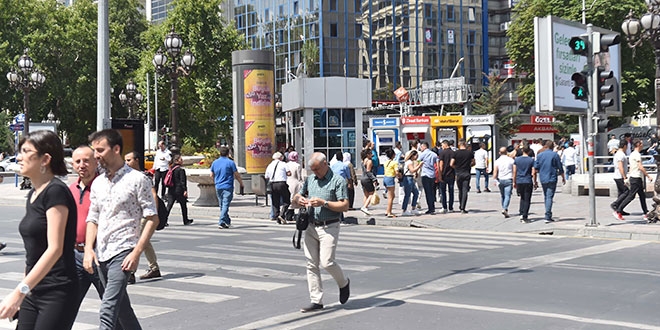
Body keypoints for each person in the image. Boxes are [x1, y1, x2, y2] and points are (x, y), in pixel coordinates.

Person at [0, 130, 80, 328]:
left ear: (45, 159)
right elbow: (33, 253)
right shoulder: (34, 194)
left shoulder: (56, 192)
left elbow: (55, 249)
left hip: (58, 290)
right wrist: (25, 288)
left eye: (26, 151)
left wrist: (19, 292)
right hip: (34, 289)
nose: (18, 157)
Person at [83, 129, 158, 330]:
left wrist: (136, 252)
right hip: (102, 253)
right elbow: (93, 218)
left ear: (116, 149)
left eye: (100, 150)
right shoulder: (98, 183)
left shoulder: (137, 179)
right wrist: (89, 249)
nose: (96, 155)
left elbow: (152, 217)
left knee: (108, 309)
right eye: (94, 150)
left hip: (124, 251)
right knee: (122, 310)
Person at [70, 146, 131, 325]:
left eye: (87, 161)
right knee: (66, 306)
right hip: (75, 257)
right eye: (78, 162)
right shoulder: (69, 190)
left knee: (117, 310)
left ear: (96, 162)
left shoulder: (105, 187)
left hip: (102, 256)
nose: (82, 165)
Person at [293, 152, 350, 313]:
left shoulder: (337, 180)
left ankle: (343, 283)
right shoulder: (311, 180)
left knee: (327, 262)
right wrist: (299, 199)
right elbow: (297, 195)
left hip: (329, 226)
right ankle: (316, 300)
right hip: (311, 225)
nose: (315, 173)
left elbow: (345, 205)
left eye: (317, 169)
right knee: (311, 263)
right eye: (312, 170)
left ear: (325, 164)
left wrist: (324, 203)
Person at [124, 151, 163, 282]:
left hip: (143, 214)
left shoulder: (144, 175)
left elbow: (153, 194)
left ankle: (130, 272)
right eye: (125, 160)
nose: (126, 163)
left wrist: (153, 213)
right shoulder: (126, 175)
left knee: (135, 240)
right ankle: (154, 268)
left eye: (129, 160)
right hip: (132, 214)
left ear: (136, 160)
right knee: (144, 240)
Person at [613, 139, 653, 221]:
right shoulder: (637, 155)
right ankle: (618, 210)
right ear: (638, 144)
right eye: (641, 143)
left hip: (634, 177)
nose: (642, 145)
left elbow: (631, 167)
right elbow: (640, 167)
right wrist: (648, 176)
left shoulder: (632, 154)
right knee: (631, 196)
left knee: (642, 195)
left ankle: (646, 212)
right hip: (636, 178)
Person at [210, 147, 244, 228]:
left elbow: (211, 175)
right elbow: (237, 174)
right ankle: (221, 221)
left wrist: (216, 180)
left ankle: (227, 221)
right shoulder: (230, 163)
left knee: (222, 204)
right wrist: (241, 183)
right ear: (228, 153)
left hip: (218, 186)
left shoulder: (215, 162)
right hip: (227, 186)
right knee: (225, 204)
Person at [533, 140, 566, 223]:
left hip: (543, 178)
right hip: (552, 177)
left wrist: (535, 179)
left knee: (546, 196)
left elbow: (536, 167)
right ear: (552, 147)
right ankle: (547, 216)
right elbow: (560, 167)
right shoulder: (555, 155)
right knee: (549, 196)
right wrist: (563, 177)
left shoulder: (540, 155)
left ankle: (548, 213)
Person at [163, 154, 193, 225]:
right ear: (177, 161)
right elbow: (183, 181)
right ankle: (185, 220)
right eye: (181, 159)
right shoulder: (180, 170)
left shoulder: (171, 169)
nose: (182, 161)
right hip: (179, 190)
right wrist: (185, 190)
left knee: (169, 205)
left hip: (171, 189)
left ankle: (164, 221)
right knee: (183, 205)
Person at [265, 152, 291, 224]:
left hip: (273, 184)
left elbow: (266, 176)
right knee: (287, 200)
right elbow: (289, 173)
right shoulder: (283, 164)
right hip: (281, 183)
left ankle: (277, 216)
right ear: (281, 157)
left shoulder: (270, 165)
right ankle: (282, 215)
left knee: (275, 201)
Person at [451, 139, 475, 214]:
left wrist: (457, 167)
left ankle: (460, 205)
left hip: (458, 173)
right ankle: (463, 207)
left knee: (460, 190)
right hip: (466, 173)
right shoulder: (469, 153)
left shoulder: (455, 153)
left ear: (459, 144)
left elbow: (451, 164)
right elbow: (474, 162)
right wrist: (468, 166)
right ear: (465, 144)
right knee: (465, 190)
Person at [513, 146, 535, 223]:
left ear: (522, 151)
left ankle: (521, 212)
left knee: (522, 197)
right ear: (528, 151)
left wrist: (514, 181)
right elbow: (533, 172)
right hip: (528, 180)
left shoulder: (517, 160)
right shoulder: (531, 160)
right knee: (527, 199)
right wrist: (535, 181)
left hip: (519, 180)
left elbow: (514, 171)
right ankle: (524, 215)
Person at [492, 147, 515, 218]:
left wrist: (494, 180)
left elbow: (495, 172)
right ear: (506, 152)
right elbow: (514, 171)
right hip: (509, 179)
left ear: (499, 153)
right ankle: (505, 208)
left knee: (502, 195)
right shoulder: (511, 160)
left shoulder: (497, 161)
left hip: (500, 179)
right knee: (508, 195)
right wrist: (514, 180)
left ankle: (504, 208)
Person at [610, 140, 631, 216]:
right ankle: (615, 204)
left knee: (621, 192)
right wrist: (624, 177)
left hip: (618, 176)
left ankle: (619, 209)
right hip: (619, 176)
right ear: (625, 146)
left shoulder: (619, 154)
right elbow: (620, 166)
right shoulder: (620, 155)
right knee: (626, 192)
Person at [418, 142, 438, 215]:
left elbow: (418, 161)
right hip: (432, 174)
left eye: (421, 147)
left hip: (425, 174)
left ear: (424, 147)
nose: (420, 148)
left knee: (428, 192)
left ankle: (430, 208)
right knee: (432, 192)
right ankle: (432, 207)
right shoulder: (434, 154)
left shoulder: (422, 154)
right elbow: (437, 163)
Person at [401, 150, 423, 216]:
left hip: (410, 178)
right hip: (408, 178)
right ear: (413, 156)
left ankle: (413, 208)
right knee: (407, 194)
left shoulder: (410, 162)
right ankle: (404, 210)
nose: (417, 157)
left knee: (416, 193)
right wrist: (419, 165)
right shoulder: (409, 162)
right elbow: (412, 170)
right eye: (416, 156)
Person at [437, 140, 455, 213]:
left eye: (442, 145)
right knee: (451, 191)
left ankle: (444, 207)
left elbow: (441, 165)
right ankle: (451, 207)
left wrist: (440, 175)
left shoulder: (442, 153)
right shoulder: (453, 153)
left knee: (443, 191)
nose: (442, 146)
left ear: (445, 144)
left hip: (444, 175)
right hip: (451, 174)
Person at [286, 151, 305, 218]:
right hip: (295, 183)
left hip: (287, 182)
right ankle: (295, 215)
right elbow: (299, 176)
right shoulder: (298, 165)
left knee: (289, 198)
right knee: (295, 198)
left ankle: (288, 214)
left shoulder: (286, 164)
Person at [359, 149, 378, 215]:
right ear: (367, 155)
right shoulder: (369, 161)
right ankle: (364, 207)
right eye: (370, 153)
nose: (372, 155)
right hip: (367, 179)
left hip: (362, 178)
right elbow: (368, 171)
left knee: (366, 195)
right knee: (371, 194)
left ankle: (365, 210)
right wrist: (374, 179)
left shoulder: (363, 161)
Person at [383, 149, 398, 217]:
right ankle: (389, 212)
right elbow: (396, 171)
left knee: (392, 195)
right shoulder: (394, 163)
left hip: (385, 178)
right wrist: (399, 177)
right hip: (390, 178)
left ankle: (388, 210)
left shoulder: (386, 162)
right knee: (390, 197)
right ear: (393, 155)